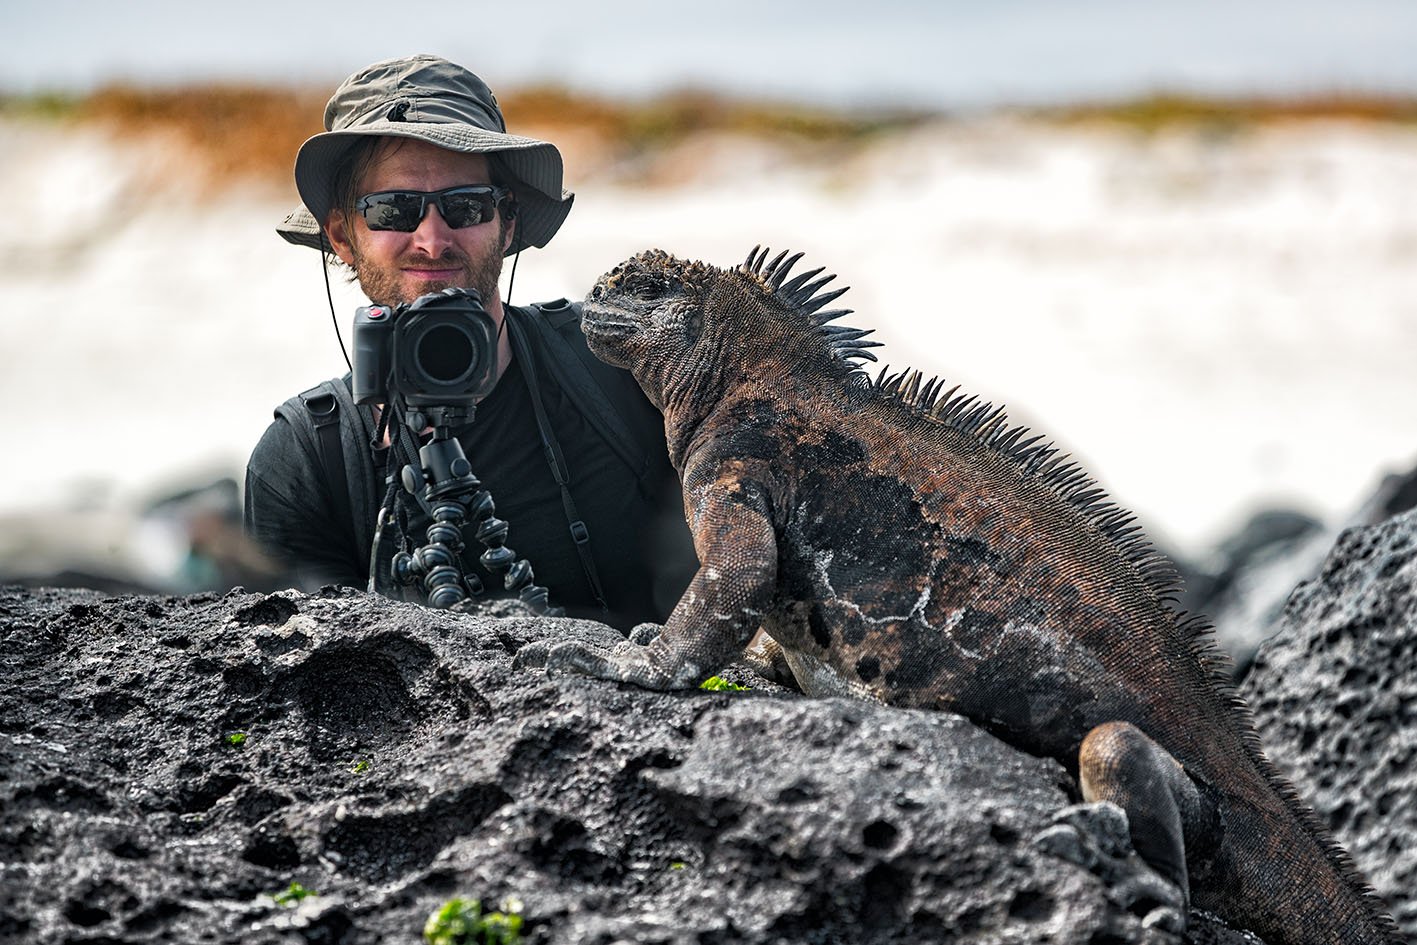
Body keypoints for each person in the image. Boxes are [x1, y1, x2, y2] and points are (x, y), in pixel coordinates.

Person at [244, 54, 695, 629]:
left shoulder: (625, 368)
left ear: (507, 224)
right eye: (393, 210)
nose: (432, 240)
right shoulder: (307, 461)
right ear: (342, 235)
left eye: (466, 206)